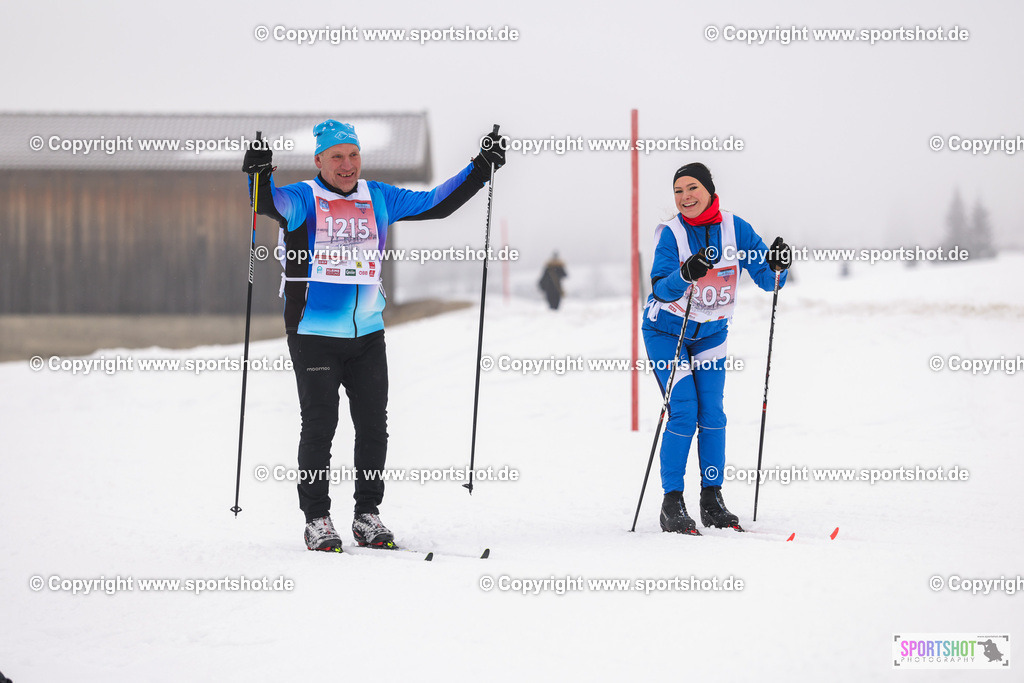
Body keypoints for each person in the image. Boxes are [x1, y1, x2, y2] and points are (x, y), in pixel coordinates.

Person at [242, 120, 506, 551]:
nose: (347, 165)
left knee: (372, 426)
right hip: (313, 333)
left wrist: (481, 168)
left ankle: (367, 514)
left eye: (353, 155)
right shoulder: (303, 198)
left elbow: (436, 204)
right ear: (319, 160)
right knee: (320, 425)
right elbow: (267, 202)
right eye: (337, 157)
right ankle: (317, 519)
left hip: (367, 331)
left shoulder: (378, 196)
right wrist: (259, 174)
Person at [643, 162, 791, 535]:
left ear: (709, 190)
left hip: (711, 332)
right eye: (678, 191)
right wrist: (685, 274)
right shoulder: (672, 234)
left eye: (692, 188)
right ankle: (672, 502)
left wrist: (778, 266)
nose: (685, 197)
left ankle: (712, 499)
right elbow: (660, 289)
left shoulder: (735, 228)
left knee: (712, 413)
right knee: (684, 411)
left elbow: (768, 279)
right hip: (666, 332)